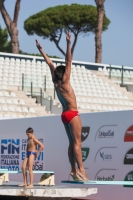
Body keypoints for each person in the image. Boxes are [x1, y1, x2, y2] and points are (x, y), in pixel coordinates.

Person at [36, 32, 89, 181]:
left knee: (71, 143)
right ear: (64, 74)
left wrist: (41, 50)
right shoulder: (65, 82)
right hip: (72, 114)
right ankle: (82, 170)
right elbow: (68, 61)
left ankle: (73, 170)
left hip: (64, 115)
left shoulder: (56, 82)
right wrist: (68, 43)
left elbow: (50, 64)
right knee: (78, 143)